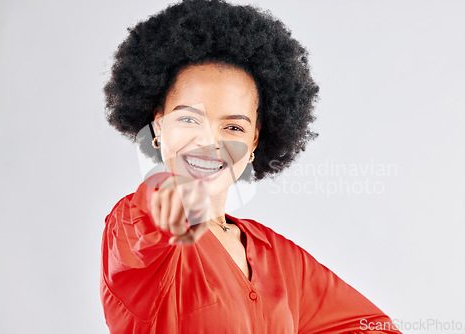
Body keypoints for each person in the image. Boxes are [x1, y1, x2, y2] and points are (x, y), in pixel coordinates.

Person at [100, 0, 402, 333]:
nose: (208, 142)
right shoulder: (133, 228)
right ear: (158, 127)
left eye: (233, 127)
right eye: (188, 119)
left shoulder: (279, 257)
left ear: (254, 141)